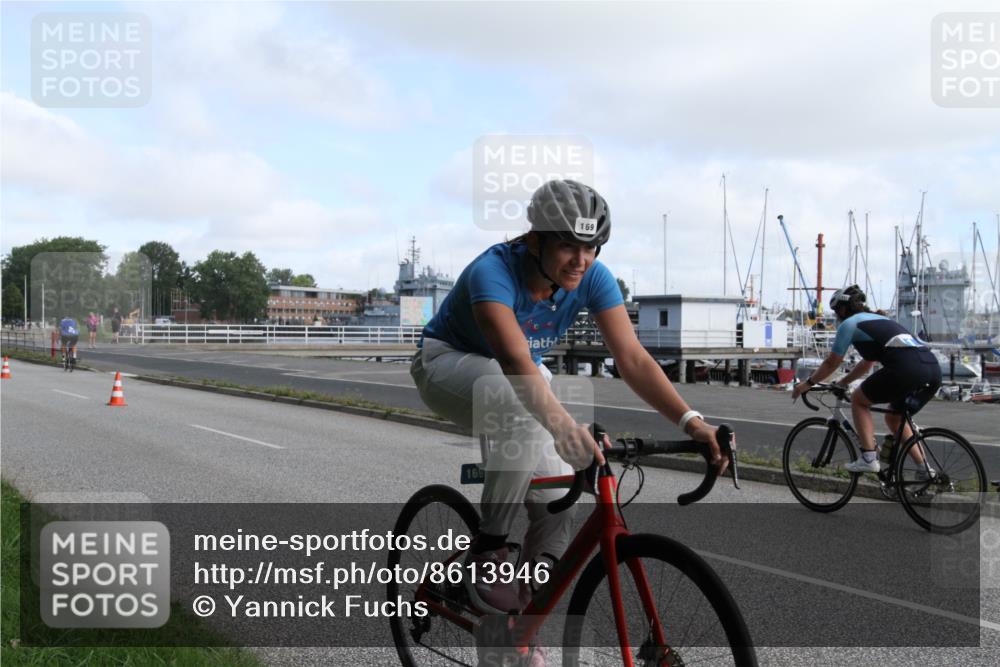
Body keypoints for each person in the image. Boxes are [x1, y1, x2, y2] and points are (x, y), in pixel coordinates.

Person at [411, 179, 730, 621]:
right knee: (523, 404)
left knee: (560, 494)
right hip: (447, 363)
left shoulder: (592, 277)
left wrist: (692, 422)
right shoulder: (492, 273)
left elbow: (633, 359)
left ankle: (523, 622)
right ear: (535, 240)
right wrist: (564, 428)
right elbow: (515, 362)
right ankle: (489, 547)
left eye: (592, 247)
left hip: (515, 375)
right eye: (567, 246)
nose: (581, 260)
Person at [792, 285, 941, 473]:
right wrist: (842, 383)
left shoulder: (850, 324)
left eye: (836, 311)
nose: (837, 316)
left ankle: (869, 458)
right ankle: (925, 469)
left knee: (859, 400)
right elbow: (867, 363)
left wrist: (807, 384)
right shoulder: (881, 320)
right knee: (894, 418)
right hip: (932, 369)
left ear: (843, 309)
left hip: (906, 369)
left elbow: (832, 362)